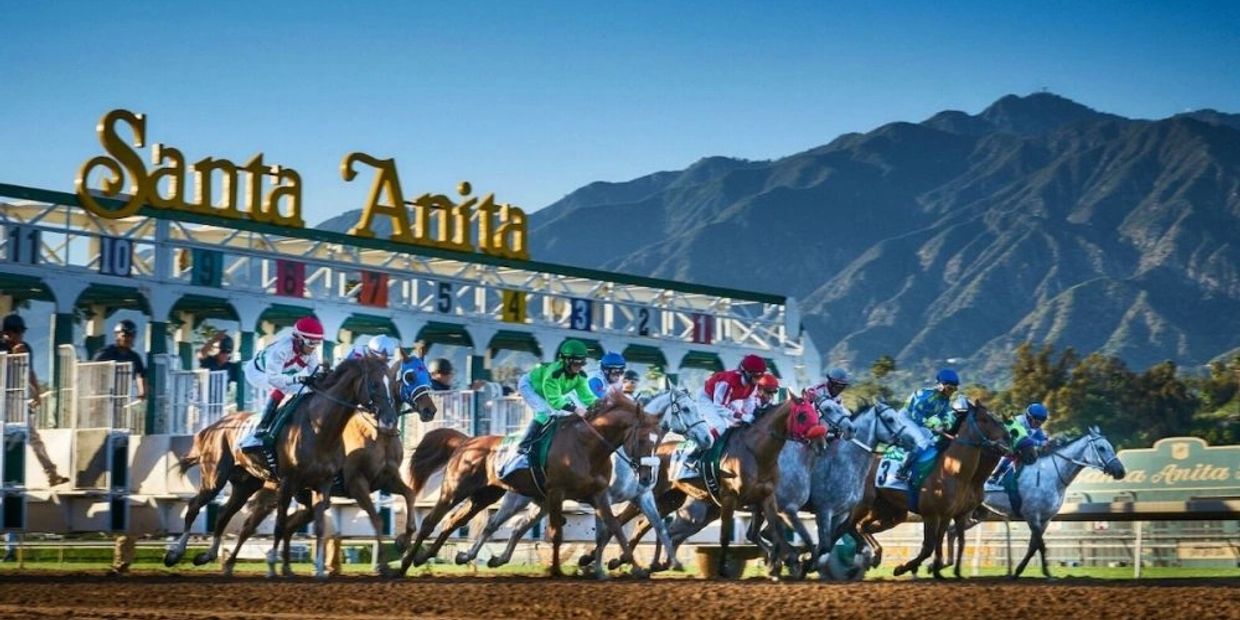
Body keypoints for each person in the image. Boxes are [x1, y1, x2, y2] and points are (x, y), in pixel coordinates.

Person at [237, 316, 325, 472]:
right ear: (298, 339)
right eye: (311, 343)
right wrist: (298, 378)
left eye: (317, 343)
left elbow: (314, 375)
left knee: (307, 389)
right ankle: (261, 428)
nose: (313, 348)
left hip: (281, 373)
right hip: (257, 373)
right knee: (283, 388)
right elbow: (274, 379)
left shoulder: (311, 353)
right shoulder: (282, 350)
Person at [500, 339, 597, 477]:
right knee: (544, 413)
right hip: (530, 386)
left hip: (545, 392)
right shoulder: (554, 374)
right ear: (566, 360)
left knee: (561, 416)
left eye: (582, 363)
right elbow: (555, 401)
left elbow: (587, 397)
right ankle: (522, 447)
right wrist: (576, 409)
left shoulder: (580, 376)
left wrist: (603, 405)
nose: (580, 366)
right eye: (576, 362)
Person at [0, 314, 68, 487]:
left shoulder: (26, 348)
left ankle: (51, 473)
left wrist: (36, 392)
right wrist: (12, 357)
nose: (19, 336)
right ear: (5, 332)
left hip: (16, 399)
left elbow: (29, 371)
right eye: (15, 332)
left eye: (21, 332)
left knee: (33, 438)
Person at [682, 354, 767, 472]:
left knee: (739, 425)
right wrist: (742, 416)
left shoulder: (753, 386)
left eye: (760, 376)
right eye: (756, 376)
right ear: (746, 372)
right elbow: (719, 407)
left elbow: (749, 406)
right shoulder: (728, 382)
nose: (758, 380)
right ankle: (692, 455)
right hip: (707, 398)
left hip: (725, 401)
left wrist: (752, 417)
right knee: (720, 425)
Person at [895, 368, 961, 481]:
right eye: (950, 388)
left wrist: (945, 426)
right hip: (906, 418)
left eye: (954, 389)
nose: (952, 392)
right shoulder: (926, 395)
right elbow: (916, 414)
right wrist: (933, 426)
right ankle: (902, 470)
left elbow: (944, 416)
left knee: (932, 442)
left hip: (918, 421)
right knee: (922, 441)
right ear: (940, 385)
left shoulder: (944, 400)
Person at [989, 402, 1050, 484]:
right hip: (1006, 444)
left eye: (1041, 423)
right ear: (1028, 417)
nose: (1038, 425)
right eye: (1036, 422)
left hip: (1020, 447)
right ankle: (995, 475)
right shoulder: (1018, 421)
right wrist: (1039, 443)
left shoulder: (1036, 427)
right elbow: (1024, 440)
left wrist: (1046, 441)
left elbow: (1042, 439)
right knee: (1011, 455)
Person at [92, 319, 148, 401]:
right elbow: (93, 372)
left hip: (123, 397)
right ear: (117, 335)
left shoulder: (135, 357)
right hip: (104, 396)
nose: (128, 339)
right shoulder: (105, 353)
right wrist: (94, 395)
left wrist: (142, 392)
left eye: (131, 336)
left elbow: (141, 375)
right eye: (125, 336)